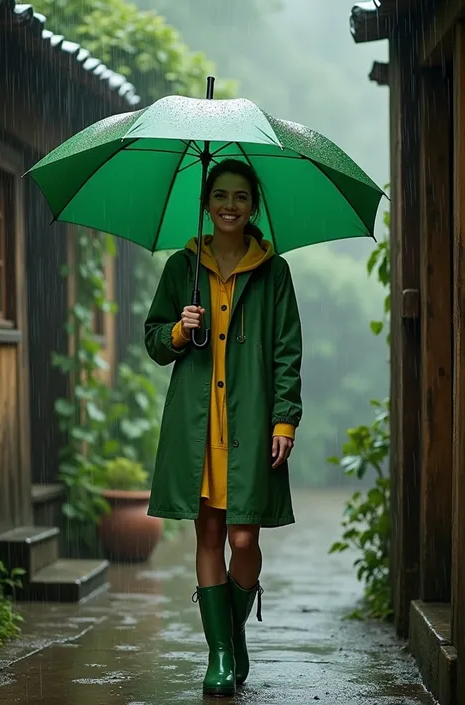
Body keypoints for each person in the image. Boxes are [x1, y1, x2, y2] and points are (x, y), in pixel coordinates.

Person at [144, 158, 303, 697]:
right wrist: (177, 331)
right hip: (197, 423)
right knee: (209, 534)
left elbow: (286, 351)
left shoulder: (273, 272)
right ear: (207, 204)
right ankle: (218, 655)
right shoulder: (181, 269)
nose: (230, 205)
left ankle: (233, 631)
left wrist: (285, 419)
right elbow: (152, 339)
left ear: (252, 206)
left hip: (252, 422)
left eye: (240, 197)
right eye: (220, 196)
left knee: (243, 535)